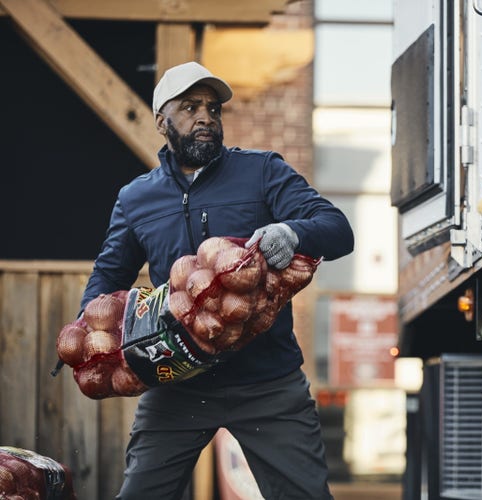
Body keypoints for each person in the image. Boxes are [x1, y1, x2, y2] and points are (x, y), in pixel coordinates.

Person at [80, 61, 354, 499]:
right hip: (176, 383)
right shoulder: (136, 198)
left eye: (213, 108)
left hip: (269, 382)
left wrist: (292, 231)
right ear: (161, 121)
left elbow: (337, 227)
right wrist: (88, 332)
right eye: (190, 107)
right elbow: (109, 275)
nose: (206, 116)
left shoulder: (262, 171)